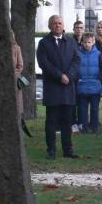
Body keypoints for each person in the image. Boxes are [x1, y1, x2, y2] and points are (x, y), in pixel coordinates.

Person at [36, 15, 81, 159]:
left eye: (60, 23)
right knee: (51, 121)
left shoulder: (71, 41)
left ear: (63, 25)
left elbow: (76, 60)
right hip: (53, 87)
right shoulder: (44, 43)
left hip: (68, 87)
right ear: (50, 26)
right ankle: (51, 150)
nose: (57, 25)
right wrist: (59, 75)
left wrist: (69, 75)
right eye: (54, 23)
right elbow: (44, 63)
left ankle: (68, 150)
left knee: (67, 120)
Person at [76, 33, 102, 134]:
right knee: (82, 109)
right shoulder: (78, 54)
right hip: (82, 86)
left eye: (89, 42)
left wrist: (99, 78)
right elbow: (74, 67)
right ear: (82, 42)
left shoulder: (98, 54)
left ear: (93, 42)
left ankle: (94, 126)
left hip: (95, 86)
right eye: (85, 42)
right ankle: (83, 126)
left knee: (94, 109)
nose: (87, 44)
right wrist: (77, 77)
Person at [11, 30, 24, 120]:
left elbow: (20, 66)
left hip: (14, 80)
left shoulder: (16, 48)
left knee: (16, 106)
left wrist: (13, 74)